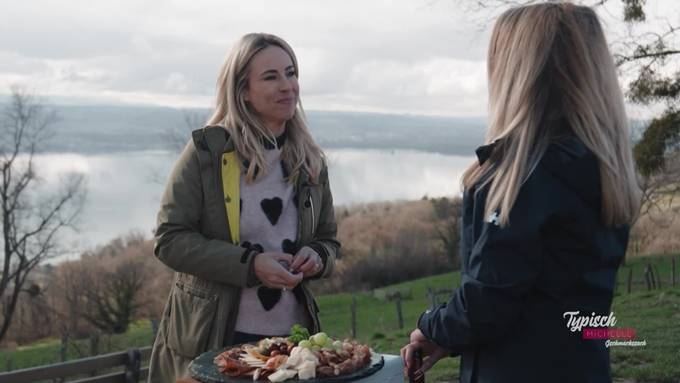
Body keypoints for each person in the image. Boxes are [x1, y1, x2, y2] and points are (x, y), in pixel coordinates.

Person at [401, 3, 641, 383]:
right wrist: (451, 338)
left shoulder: (528, 174)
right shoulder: (601, 166)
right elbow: (540, 297)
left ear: (518, 73)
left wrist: (430, 326)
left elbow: (488, 302)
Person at [148, 33, 340, 383]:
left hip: (292, 344)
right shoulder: (207, 153)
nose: (288, 86)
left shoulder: (311, 161)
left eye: (291, 73)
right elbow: (169, 240)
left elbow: (328, 239)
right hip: (216, 340)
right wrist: (251, 265)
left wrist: (317, 255)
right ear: (242, 91)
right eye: (271, 77)